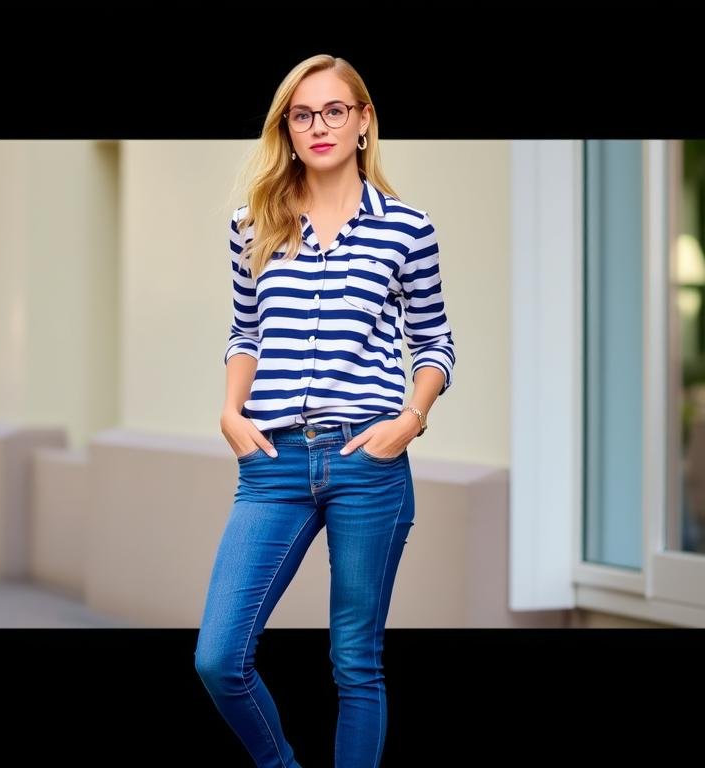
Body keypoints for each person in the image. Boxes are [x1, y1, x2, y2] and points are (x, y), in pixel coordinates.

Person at [193, 53, 456, 768]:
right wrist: (230, 412)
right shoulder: (254, 224)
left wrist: (411, 419)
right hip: (272, 462)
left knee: (354, 662)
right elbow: (245, 331)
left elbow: (433, 340)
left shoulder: (407, 229)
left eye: (335, 110)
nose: (319, 126)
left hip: (366, 461)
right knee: (219, 657)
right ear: (288, 126)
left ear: (364, 121)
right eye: (302, 114)